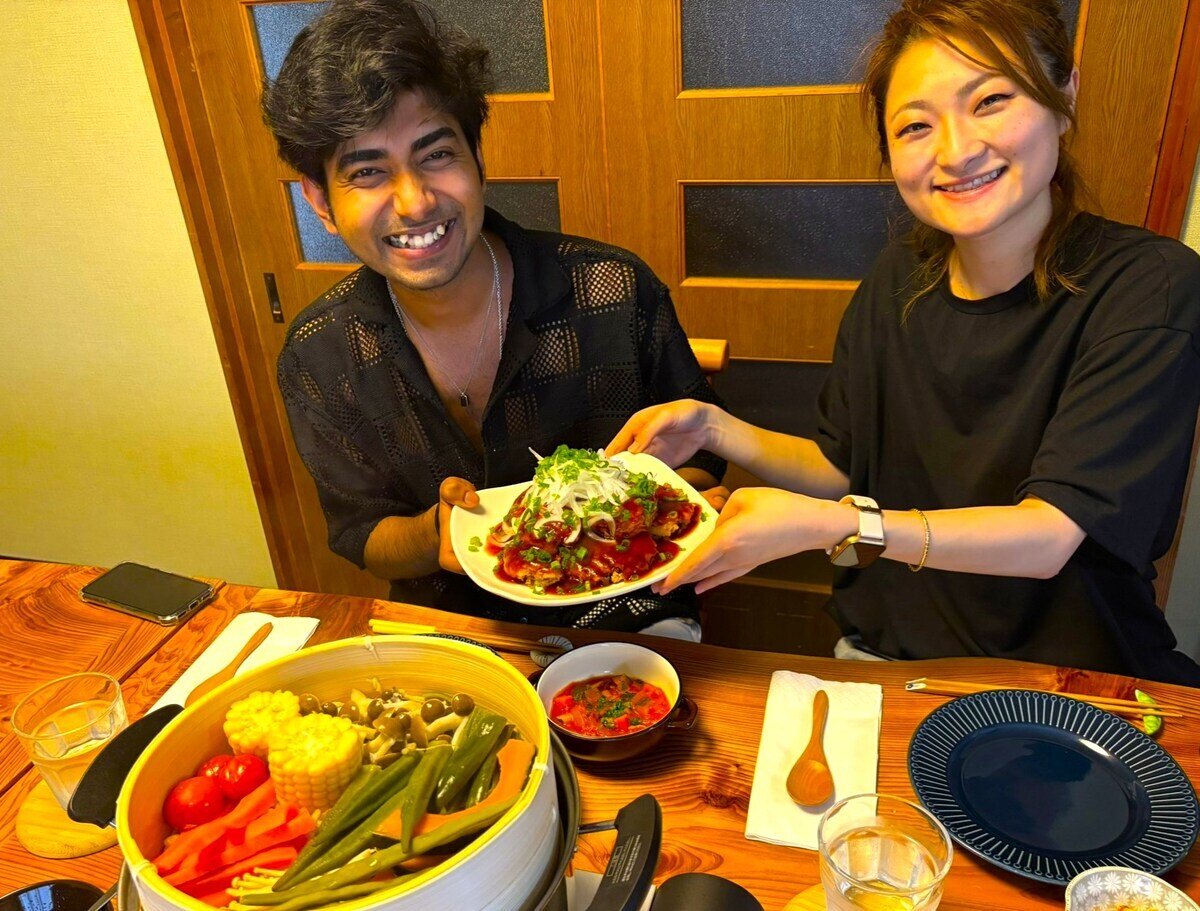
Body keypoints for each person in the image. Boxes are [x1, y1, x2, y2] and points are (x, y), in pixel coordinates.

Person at [607, 0, 1200, 684]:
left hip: (1065, 680)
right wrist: (713, 427)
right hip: (885, 658)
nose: (957, 150)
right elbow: (842, 467)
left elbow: (1050, 534)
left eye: (991, 100)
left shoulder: (1149, 288)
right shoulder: (900, 278)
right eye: (917, 125)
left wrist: (841, 527)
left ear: (1064, 97)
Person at [262, 0, 726, 633]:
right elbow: (362, 532)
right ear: (320, 200)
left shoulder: (613, 289)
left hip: (633, 617)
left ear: (477, 157)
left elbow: (701, 462)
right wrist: (437, 533)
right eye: (367, 171)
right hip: (454, 631)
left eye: (435, 155)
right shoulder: (321, 353)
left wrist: (660, 511)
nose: (414, 202)